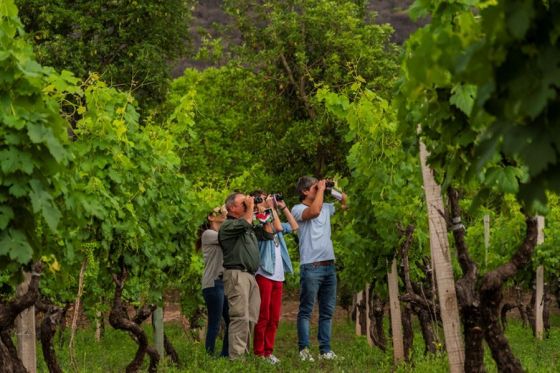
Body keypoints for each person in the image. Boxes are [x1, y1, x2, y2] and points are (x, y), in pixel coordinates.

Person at [291, 176, 347, 362]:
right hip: (311, 266)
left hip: (328, 265)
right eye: (314, 187)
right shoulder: (298, 209)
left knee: (327, 311)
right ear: (305, 191)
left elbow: (345, 200)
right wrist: (321, 190)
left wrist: (331, 188)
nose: (317, 189)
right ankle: (304, 350)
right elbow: (314, 212)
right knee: (306, 310)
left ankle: (325, 350)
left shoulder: (325, 205)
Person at [218, 192, 274, 359]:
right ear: (232, 208)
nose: (247, 204)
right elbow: (245, 223)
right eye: (243, 203)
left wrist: (262, 210)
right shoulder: (227, 226)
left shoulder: (246, 227)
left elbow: (268, 233)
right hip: (236, 274)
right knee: (239, 316)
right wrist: (250, 208)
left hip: (250, 276)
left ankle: (243, 355)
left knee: (250, 318)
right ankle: (236, 359)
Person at [251, 191, 298, 365]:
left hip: (278, 275)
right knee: (263, 316)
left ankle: (268, 351)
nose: (267, 201)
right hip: (264, 272)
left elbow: (293, 226)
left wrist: (282, 206)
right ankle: (259, 353)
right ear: (256, 204)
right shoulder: (257, 220)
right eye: (263, 200)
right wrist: (270, 209)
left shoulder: (272, 215)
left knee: (274, 317)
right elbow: (276, 228)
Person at [196, 205, 230, 357]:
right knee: (215, 323)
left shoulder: (218, 233)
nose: (223, 213)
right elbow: (227, 236)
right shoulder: (208, 234)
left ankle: (224, 355)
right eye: (218, 212)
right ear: (210, 217)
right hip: (213, 283)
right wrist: (228, 214)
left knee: (231, 321)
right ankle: (209, 356)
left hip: (222, 282)